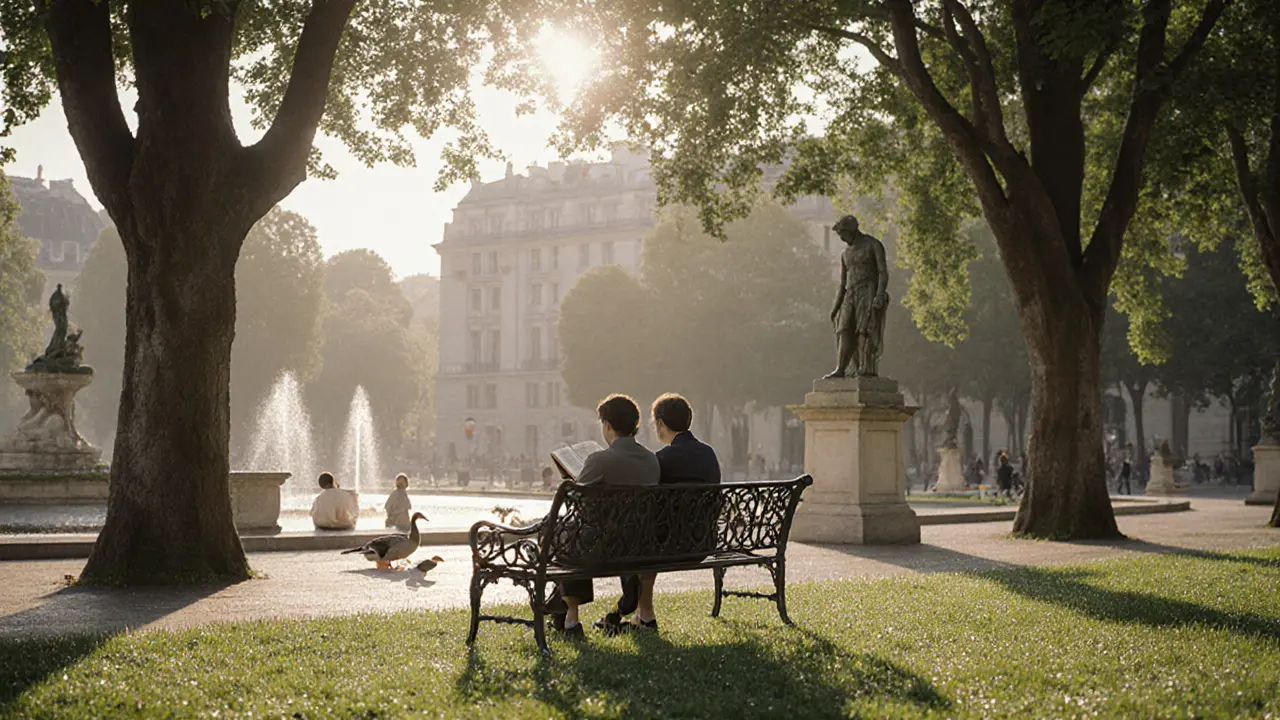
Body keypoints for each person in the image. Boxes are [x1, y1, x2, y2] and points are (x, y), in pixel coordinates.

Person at [597, 393, 720, 635]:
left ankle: (641, 612)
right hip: (704, 541)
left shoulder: (662, 460)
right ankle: (642, 615)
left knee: (637, 533)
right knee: (648, 534)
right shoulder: (709, 454)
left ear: (661, 423)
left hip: (671, 546)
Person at [548, 394, 659, 638]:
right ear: (635, 425)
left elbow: (575, 502)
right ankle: (558, 609)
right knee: (575, 534)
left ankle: (570, 618)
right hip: (639, 544)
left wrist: (570, 480)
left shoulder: (599, 459)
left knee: (566, 533)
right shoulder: (652, 460)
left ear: (607, 425)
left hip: (603, 547)